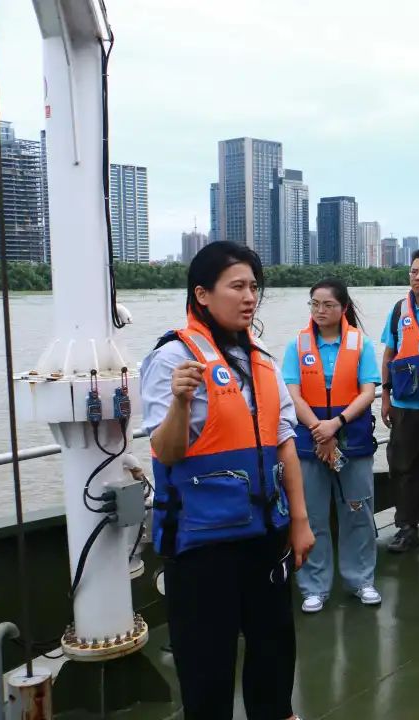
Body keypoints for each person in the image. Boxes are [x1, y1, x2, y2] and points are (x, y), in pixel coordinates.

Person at [140, 241, 315, 719]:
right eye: (237, 286)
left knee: (274, 647)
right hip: (204, 543)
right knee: (207, 663)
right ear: (202, 294)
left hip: (265, 533)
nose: (249, 297)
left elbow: (284, 443)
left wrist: (300, 521)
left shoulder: (261, 360)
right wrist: (180, 401)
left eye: (254, 287)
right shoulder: (171, 360)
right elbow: (166, 451)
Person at [283, 279, 382, 612]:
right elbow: (292, 394)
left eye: (328, 304)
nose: (320, 310)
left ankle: (361, 580)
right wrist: (318, 429)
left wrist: (335, 424)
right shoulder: (296, 346)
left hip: (351, 439)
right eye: (315, 303)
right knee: (312, 515)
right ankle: (314, 586)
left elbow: (367, 392)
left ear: (343, 308)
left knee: (358, 511)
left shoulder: (361, 345)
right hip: (310, 443)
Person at [381, 249, 419, 553]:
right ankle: (407, 528)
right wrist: (385, 396)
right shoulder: (398, 310)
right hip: (406, 406)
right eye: (413, 272)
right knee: (404, 468)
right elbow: (389, 354)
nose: (417, 277)